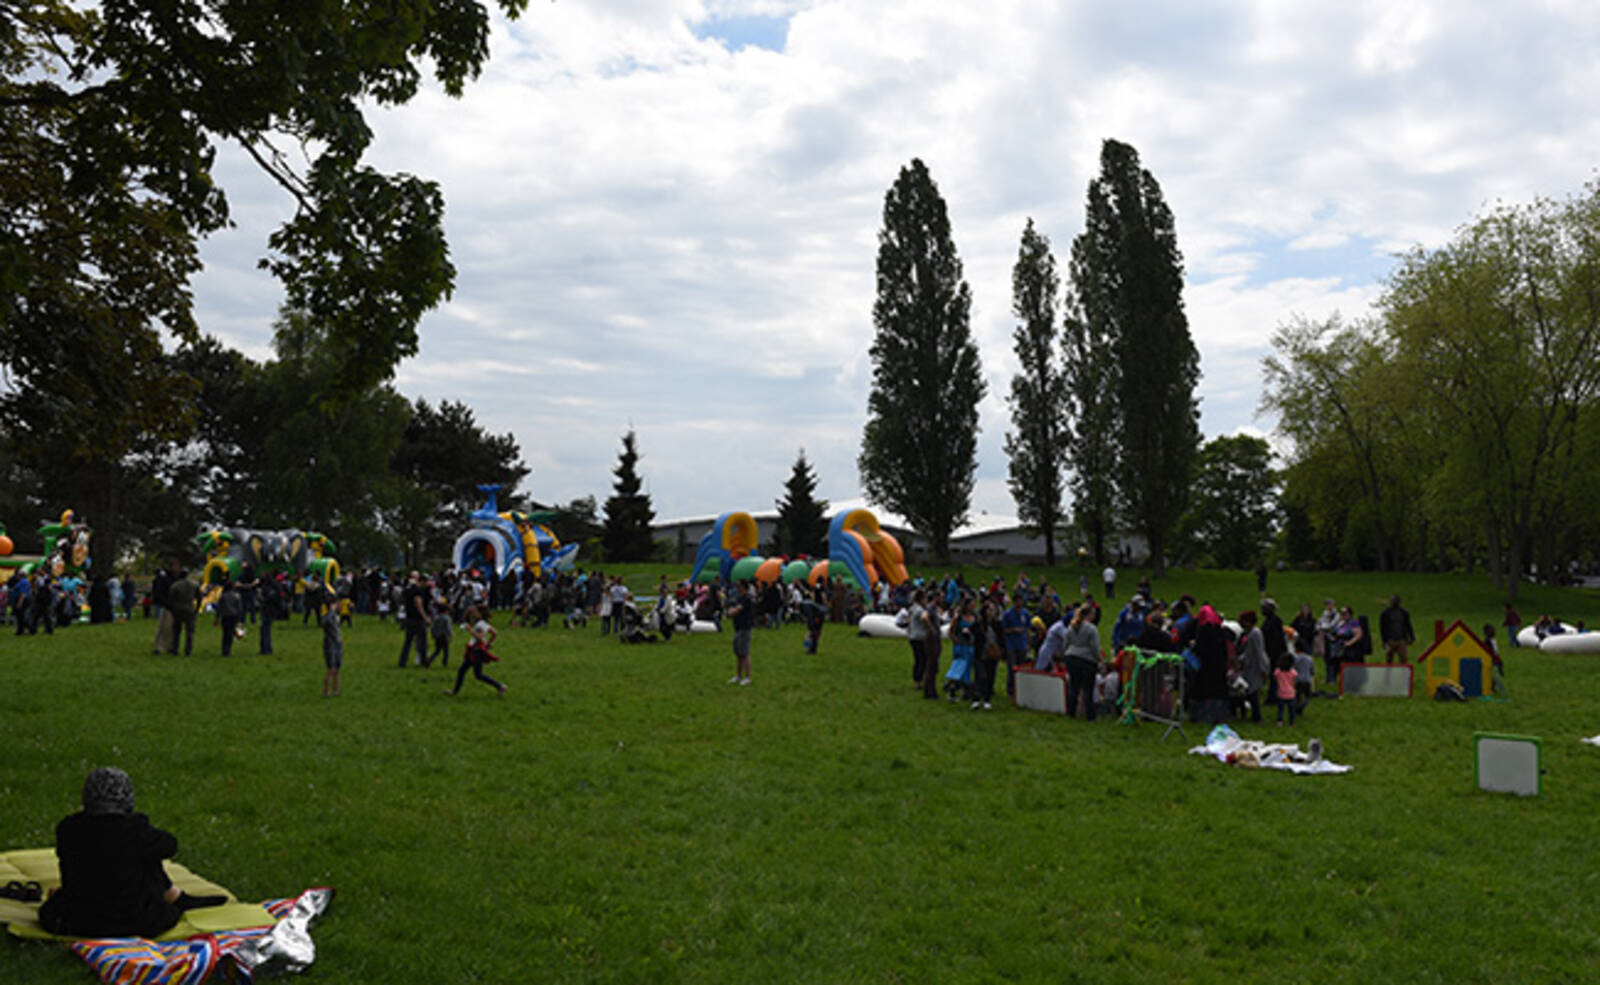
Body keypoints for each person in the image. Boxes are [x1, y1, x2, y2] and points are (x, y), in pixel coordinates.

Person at [38, 768, 225, 938]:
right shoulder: (135, 831)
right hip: (133, 921)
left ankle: (175, 897)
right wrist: (140, 823)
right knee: (148, 855)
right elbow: (170, 845)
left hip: (76, 920)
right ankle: (176, 897)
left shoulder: (68, 828)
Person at [445, 605, 507, 696]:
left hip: (476, 651)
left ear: (479, 613)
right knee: (472, 673)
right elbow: (494, 633)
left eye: (475, 612)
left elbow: (479, 637)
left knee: (471, 673)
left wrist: (469, 629)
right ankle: (499, 686)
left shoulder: (480, 625)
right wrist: (488, 643)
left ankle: (500, 686)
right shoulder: (484, 623)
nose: (473, 613)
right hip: (477, 650)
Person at [1192, 605, 1230, 724]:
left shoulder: (1203, 630)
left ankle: (1205, 715)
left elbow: (1199, 649)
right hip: (1219, 666)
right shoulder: (1220, 629)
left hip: (1206, 666)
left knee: (1206, 692)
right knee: (1218, 692)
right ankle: (1220, 715)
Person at [1063, 605, 1101, 720]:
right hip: (1086, 659)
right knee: (1087, 688)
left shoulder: (1072, 626)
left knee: (1074, 687)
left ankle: (1071, 712)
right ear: (1088, 615)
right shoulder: (1092, 629)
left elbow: (1066, 643)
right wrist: (1099, 659)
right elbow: (1094, 647)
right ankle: (1090, 715)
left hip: (1071, 657)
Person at [1236, 610, 1269, 723]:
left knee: (1253, 691)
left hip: (1255, 666)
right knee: (1248, 690)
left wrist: (1262, 668)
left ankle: (1257, 716)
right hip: (1249, 665)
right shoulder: (1249, 633)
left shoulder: (1255, 634)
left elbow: (1258, 652)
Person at [1000, 594, 1031, 698]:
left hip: (1022, 644)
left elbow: (1027, 628)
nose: (1020, 603)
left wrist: (1029, 643)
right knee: (1012, 667)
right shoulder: (1007, 614)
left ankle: (1021, 688)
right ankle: (1011, 689)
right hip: (1011, 644)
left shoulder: (1025, 613)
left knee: (1022, 667)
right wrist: (1013, 630)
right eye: (1018, 601)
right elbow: (1003, 630)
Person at [397, 571, 429, 668]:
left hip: (409, 617)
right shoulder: (418, 591)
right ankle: (424, 661)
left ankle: (402, 661)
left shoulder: (408, 590)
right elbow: (418, 604)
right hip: (417, 619)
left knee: (408, 642)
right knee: (422, 641)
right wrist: (425, 617)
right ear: (422, 581)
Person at [165, 570, 199, 657]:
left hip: (178, 609)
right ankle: (188, 651)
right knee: (190, 632)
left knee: (176, 631)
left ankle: (175, 649)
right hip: (190, 609)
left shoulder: (176, 585)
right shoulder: (194, 585)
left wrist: (171, 609)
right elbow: (199, 597)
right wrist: (197, 609)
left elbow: (170, 599)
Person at [727, 582, 755, 685]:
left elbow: (738, 609)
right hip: (738, 628)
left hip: (745, 628)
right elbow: (733, 607)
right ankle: (738, 676)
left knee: (745, 653)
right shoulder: (739, 598)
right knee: (738, 653)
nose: (737, 588)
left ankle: (747, 677)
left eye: (738, 586)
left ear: (743, 587)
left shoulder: (747, 598)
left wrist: (731, 612)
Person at [321, 589, 343, 697]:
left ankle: (336, 689)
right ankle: (326, 690)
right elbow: (326, 624)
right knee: (330, 668)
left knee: (337, 668)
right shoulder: (329, 616)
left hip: (337, 643)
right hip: (330, 644)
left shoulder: (335, 616)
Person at [1379, 595, 1415, 662]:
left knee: (1403, 658)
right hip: (1390, 640)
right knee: (1389, 659)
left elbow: (1408, 625)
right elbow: (1382, 628)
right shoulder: (1385, 613)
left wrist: (1412, 637)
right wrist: (1384, 641)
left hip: (1401, 640)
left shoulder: (1404, 613)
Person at [216, 578, 243, 656]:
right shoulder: (237, 596)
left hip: (225, 616)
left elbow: (219, 608)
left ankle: (224, 649)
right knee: (230, 633)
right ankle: (228, 649)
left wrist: (217, 618)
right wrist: (239, 619)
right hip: (233, 616)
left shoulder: (223, 596)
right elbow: (239, 608)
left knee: (225, 633)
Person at [1272, 653, 1297, 726]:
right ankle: (1292, 722)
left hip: (1281, 693)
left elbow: (1275, 678)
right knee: (1291, 709)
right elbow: (1294, 681)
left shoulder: (1278, 671)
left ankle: (1280, 721)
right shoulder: (1293, 672)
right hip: (1291, 693)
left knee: (1280, 709)